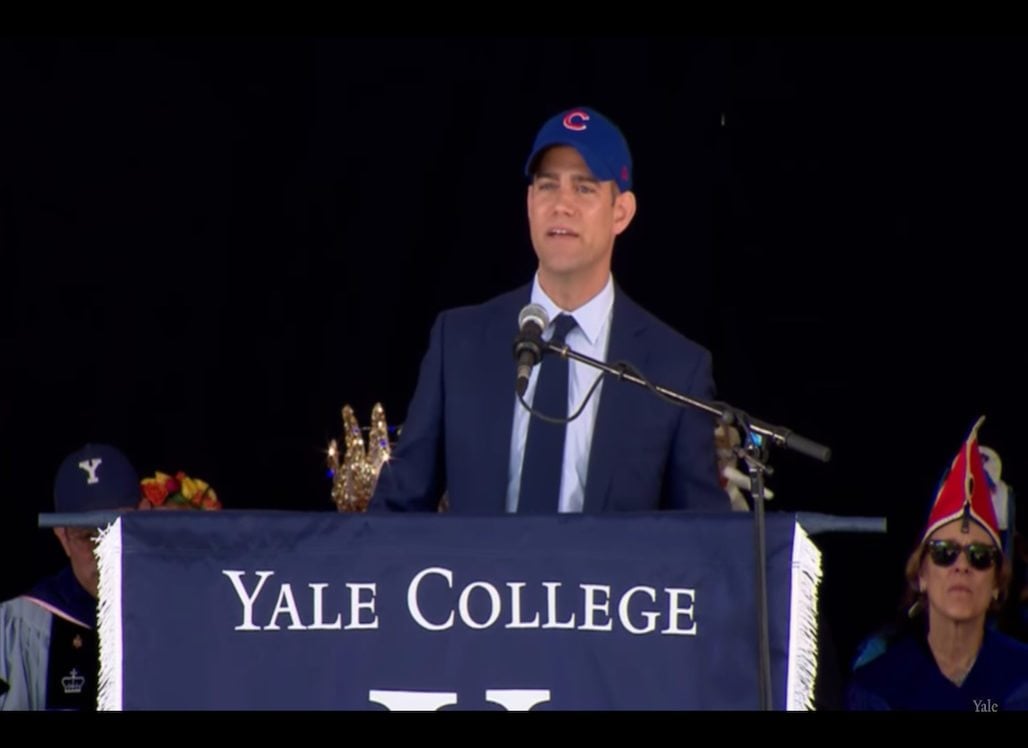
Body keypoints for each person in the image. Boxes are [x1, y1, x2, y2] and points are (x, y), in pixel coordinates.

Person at [369, 106, 729, 514]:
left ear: (621, 212)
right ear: (529, 202)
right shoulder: (459, 341)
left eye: (584, 188)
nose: (561, 205)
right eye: (547, 186)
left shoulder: (674, 370)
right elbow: (395, 512)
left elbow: (702, 542)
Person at [846, 417, 1028, 710]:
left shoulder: (1022, 680)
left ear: (997, 583)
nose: (962, 566)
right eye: (944, 552)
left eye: (980, 557)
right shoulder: (876, 687)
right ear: (921, 576)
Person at [0, 444, 141, 710]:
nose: (105, 553)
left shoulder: (178, 615)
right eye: (88, 537)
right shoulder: (18, 628)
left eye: (117, 531)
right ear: (62, 537)